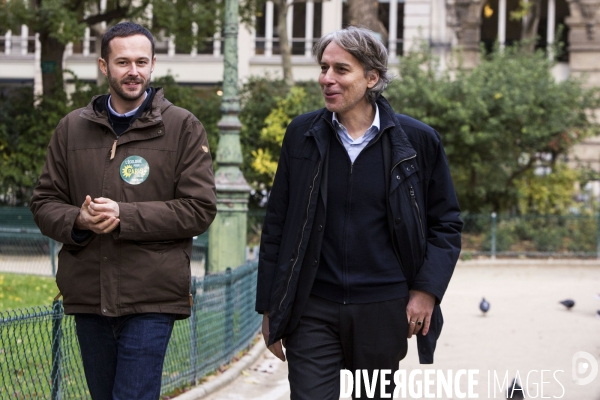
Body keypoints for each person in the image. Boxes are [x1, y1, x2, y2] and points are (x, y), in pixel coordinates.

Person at [255, 26, 462, 399]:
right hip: (311, 307)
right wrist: (270, 308)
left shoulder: (417, 141)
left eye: (340, 70)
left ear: (371, 78)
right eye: (324, 68)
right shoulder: (301, 134)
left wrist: (426, 291)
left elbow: (446, 224)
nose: (327, 79)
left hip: (383, 309)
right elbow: (277, 224)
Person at [30, 22, 217, 399]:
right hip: (89, 294)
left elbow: (199, 208)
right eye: (123, 62)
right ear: (104, 66)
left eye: (142, 61)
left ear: (152, 65)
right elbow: (44, 202)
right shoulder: (71, 128)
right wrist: (79, 221)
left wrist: (125, 216)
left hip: (152, 296)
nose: (134, 71)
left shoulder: (182, 127)